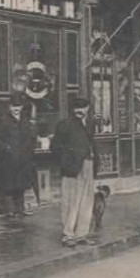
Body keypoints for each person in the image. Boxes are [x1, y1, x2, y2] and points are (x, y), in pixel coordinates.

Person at [50, 95, 97, 247]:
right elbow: (55, 147)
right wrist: (67, 161)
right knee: (71, 201)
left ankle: (81, 234)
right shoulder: (65, 125)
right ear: (72, 109)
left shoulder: (89, 124)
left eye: (83, 107)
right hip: (72, 168)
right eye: (77, 107)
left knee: (86, 201)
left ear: (87, 109)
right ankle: (68, 234)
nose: (79, 111)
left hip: (88, 164)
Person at [0, 93, 36, 221]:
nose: (16, 108)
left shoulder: (25, 120)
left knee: (21, 185)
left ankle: (20, 209)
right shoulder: (3, 121)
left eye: (18, 106)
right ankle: (9, 210)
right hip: (9, 158)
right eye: (14, 106)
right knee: (9, 186)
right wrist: (6, 148)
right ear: (9, 107)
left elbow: (31, 136)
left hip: (23, 158)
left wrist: (29, 148)